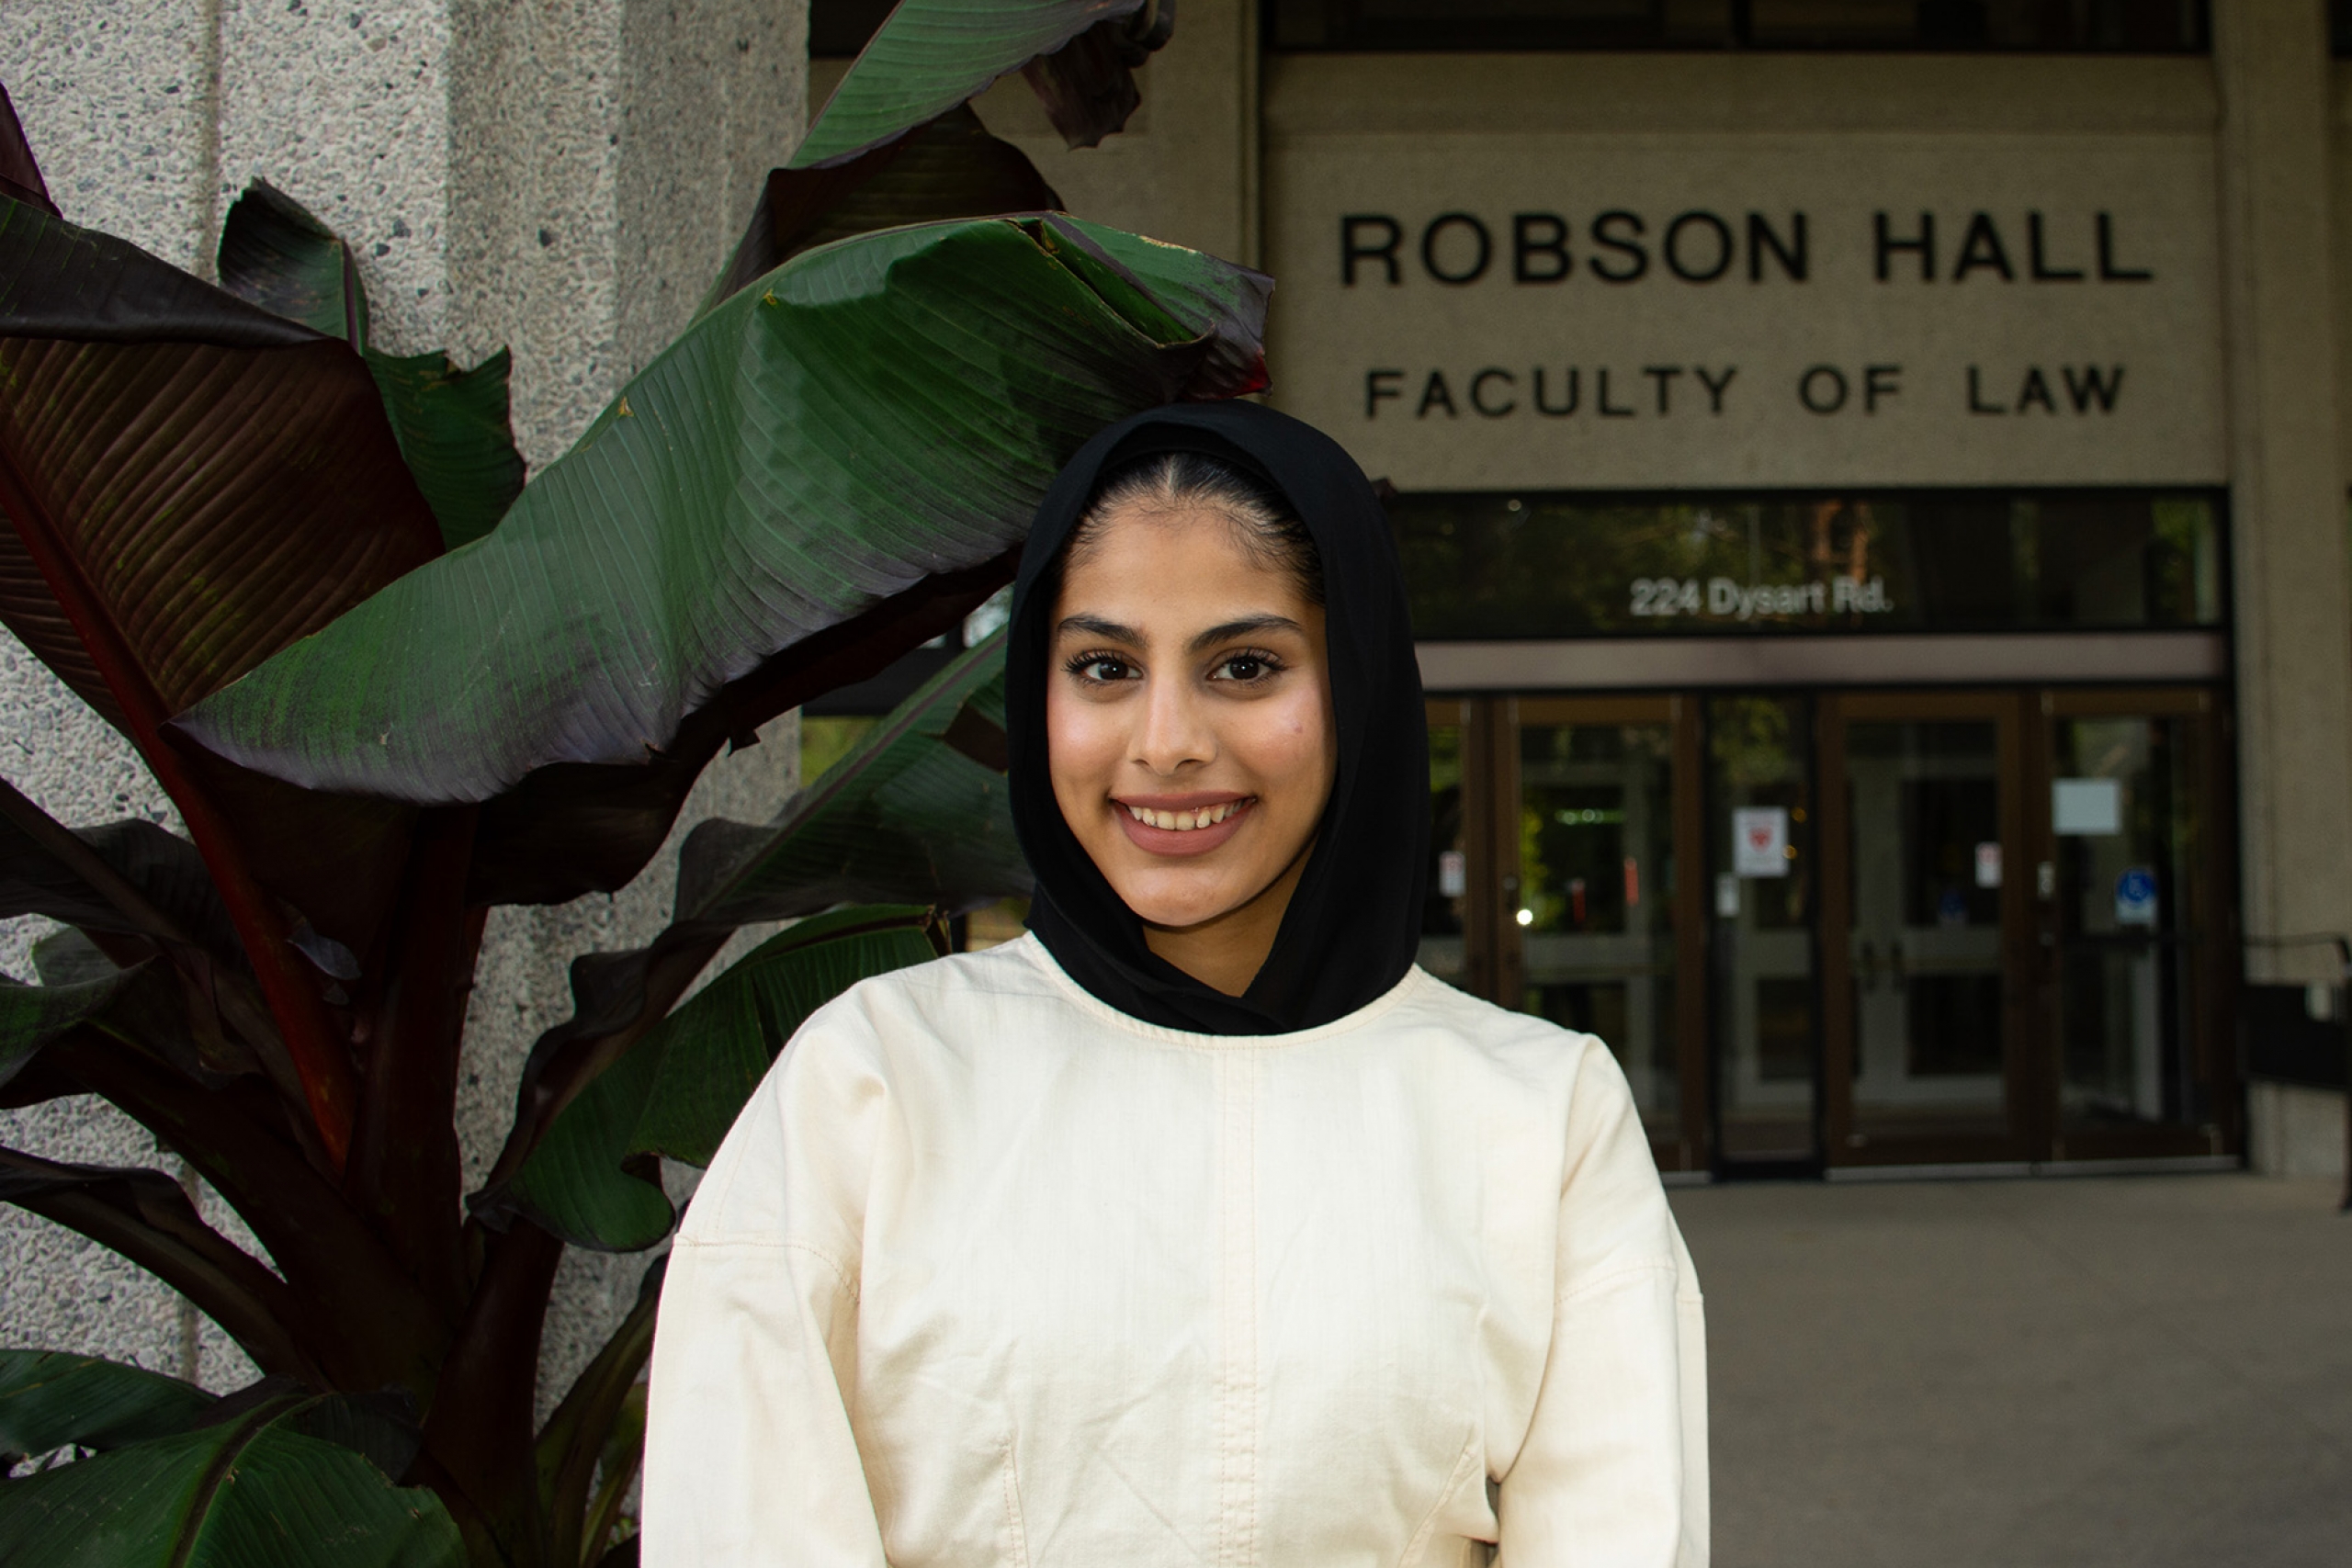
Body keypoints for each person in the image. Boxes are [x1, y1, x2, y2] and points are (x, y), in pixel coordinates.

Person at [642, 401, 1708, 1566]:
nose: (1165, 741)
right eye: (1103, 667)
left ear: (1354, 683)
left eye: (1243, 666)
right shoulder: (874, 1081)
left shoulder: (1541, 1117)